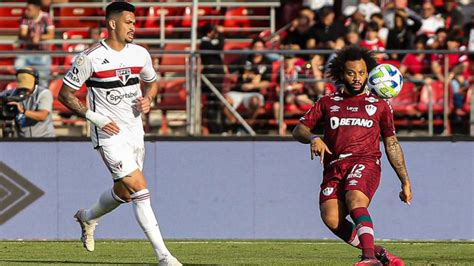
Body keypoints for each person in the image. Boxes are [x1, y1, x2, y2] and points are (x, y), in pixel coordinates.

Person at [58, 2, 181, 265]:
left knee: (125, 193)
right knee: (140, 188)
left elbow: (152, 82)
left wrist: (148, 98)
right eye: (129, 21)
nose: (133, 27)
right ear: (112, 23)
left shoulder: (140, 54)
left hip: (135, 131)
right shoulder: (89, 58)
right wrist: (95, 118)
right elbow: (65, 94)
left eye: (135, 22)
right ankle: (164, 257)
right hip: (108, 134)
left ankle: (88, 217)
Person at [292, 46, 412, 266]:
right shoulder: (327, 102)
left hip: (366, 162)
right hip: (335, 166)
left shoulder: (380, 105)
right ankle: (378, 253)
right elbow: (298, 129)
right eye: (351, 73)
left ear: (369, 74)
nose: (357, 78)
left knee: (354, 197)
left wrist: (404, 181)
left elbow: (391, 143)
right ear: (341, 74)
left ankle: (368, 259)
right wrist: (313, 138)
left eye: (362, 73)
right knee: (331, 218)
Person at [15, 0, 55, 88]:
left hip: (43, 53)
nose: (26, 11)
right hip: (27, 52)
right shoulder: (25, 18)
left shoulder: (46, 17)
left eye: (29, 9)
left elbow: (51, 35)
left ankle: (40, 98)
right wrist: (30, 36)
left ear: (37, 9)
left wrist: (39, 37)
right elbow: (23, 33)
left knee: (43, 82)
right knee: (19, 66)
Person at [8, 67, 55, 138]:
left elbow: (42, 116)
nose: (25, 91)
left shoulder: (44, 93)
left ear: (35, 82)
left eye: (27, 88)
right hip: (23, 140)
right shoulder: (14, 93)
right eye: (23, 88)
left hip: (44, 140)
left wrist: (23, 111)